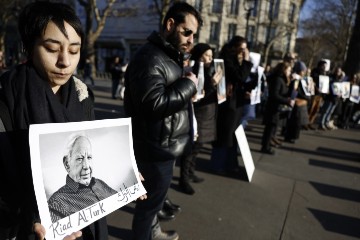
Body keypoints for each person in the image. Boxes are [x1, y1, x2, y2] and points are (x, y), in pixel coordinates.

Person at [0, 2, 122, 239]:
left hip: (83, 225)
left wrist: (122, 176)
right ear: (28, 47)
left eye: (74, 50)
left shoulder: (82, 94)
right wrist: (33, 217)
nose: (65, 62)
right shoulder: (6, 97)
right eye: (52, 48)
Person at [124, 2, 202, 240]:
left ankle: (153, 233)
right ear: (170, 25)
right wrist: (189, 84)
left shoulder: (167, 55)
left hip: (163, 145)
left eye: (194, 35)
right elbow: (153, 105)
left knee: (155, 202)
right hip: (154, 149)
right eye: (186, 32)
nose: (191, 39)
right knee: (148, 205)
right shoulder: (150, 57)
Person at [178, 43, 222, 195]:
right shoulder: (194, 70)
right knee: (190, 149)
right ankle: (183, 180)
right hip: (198, 114)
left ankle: (190, 172)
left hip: (207, 115)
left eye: (211, 55)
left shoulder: (209, 69)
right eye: (207, 55)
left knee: (197, 148)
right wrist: (213, 84)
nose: (210, 58)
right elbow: (198, 97)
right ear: (199, 55)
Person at [48, 134, 117, 223]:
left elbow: (120, 198)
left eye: (89, 157)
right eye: (80, 158)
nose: (86, 166)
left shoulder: (99, 183)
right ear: (67, 164)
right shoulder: (57, 202)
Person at [210, 36, 253, 173]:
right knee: (225, 134)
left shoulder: (234, 60)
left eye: (245, 49)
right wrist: (246, 61)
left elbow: (241, 80)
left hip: (236, 103)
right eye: (241, 49)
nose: (243, 52)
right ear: (234, 48)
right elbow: (240, 76)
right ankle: (218, 164)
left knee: (233, 135)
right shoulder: (226, 60)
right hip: (228, 104)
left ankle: (230, 164)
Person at [261, 62, 294, 154]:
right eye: (288, 70)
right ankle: (265, 147)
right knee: (269, 128)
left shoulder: (281, 79)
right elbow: (274, 95)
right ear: (283, 70)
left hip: (275, 107)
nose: (289, 72)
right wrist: (287, 101)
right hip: (273, 107)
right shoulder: (277, 80)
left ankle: (266, 145)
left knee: (271, 127)